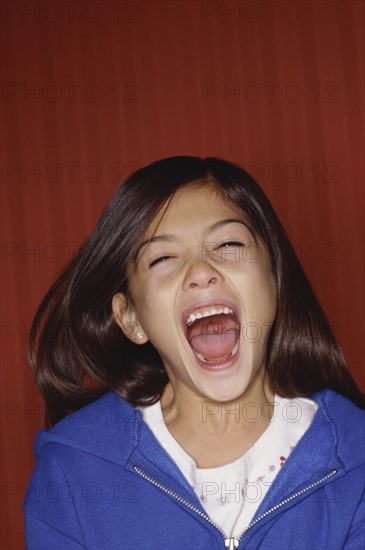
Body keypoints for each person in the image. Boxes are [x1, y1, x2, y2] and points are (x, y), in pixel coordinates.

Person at [23, 156, 364, 549]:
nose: (201, 271)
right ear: (130, 317)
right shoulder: (72, 473)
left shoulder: (357, 460)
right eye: (163, 258)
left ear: (276, 282)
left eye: (229, 244)